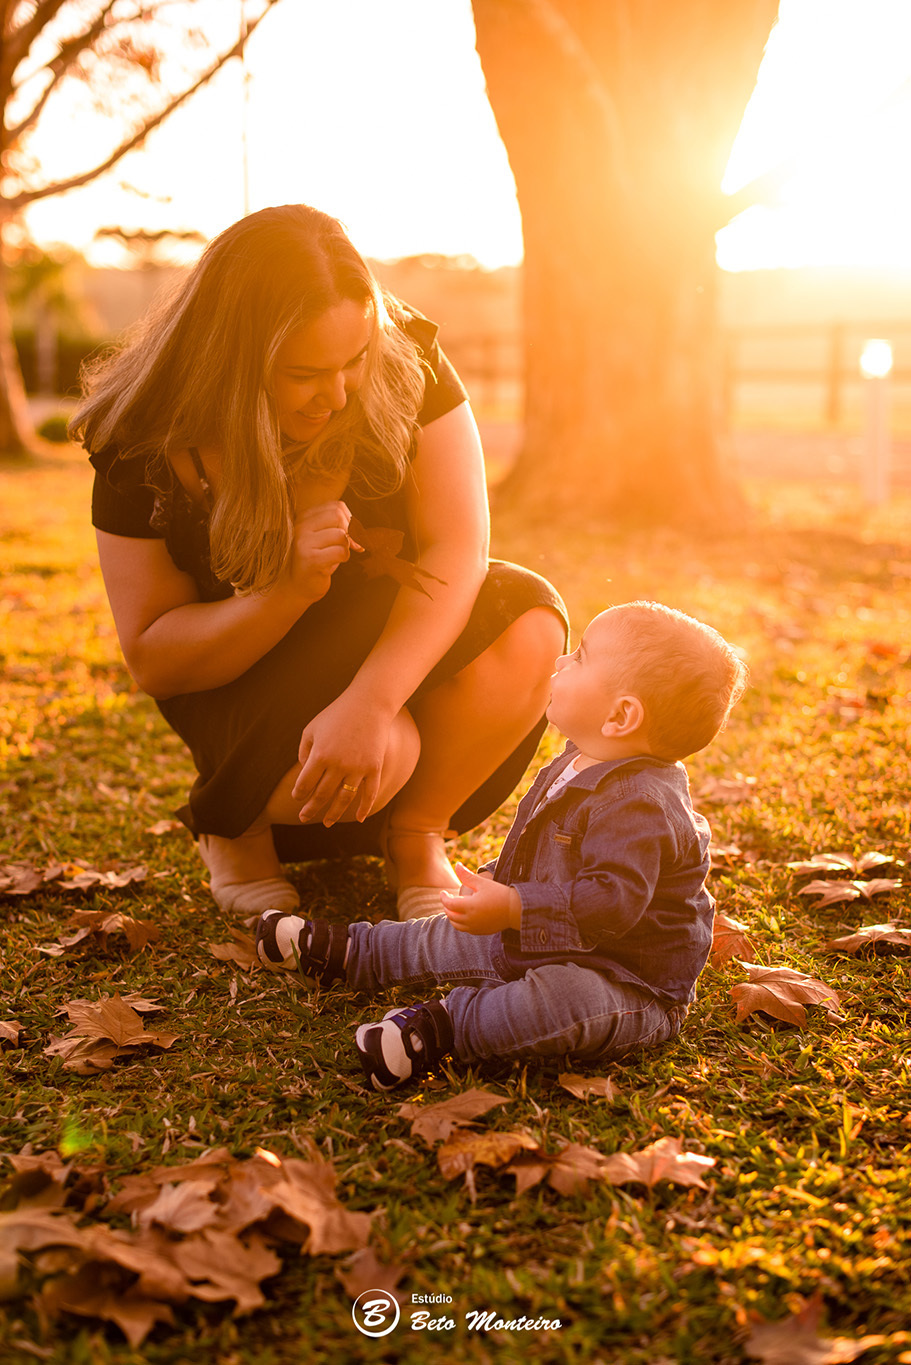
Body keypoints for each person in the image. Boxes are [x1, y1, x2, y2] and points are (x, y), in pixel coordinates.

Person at [72, 204, 567, 920]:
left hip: (382, 649)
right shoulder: (144, 436)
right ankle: (235, 824)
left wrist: (372, 702)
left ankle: (416, 833)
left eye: (354, 362)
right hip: (242, 677)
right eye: (303, 372)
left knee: (526, 618)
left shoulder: (408, 360)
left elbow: (458, 549)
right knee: (388, 752)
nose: (336, 395)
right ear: (231, 358)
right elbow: (155, 658)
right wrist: (285, 591)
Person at [255, 600, 748, 1090]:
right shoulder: (584, 758)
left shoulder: (641, 806)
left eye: (580, 656)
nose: (561, 661)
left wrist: (516, 906)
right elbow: (547, 848)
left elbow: (611, 902)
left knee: (560, 1003)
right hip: (550, 936)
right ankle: (349, 951)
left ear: (620, 716)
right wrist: (502, 880)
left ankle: (440, 1029)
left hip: (625, 981)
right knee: (448, 933)